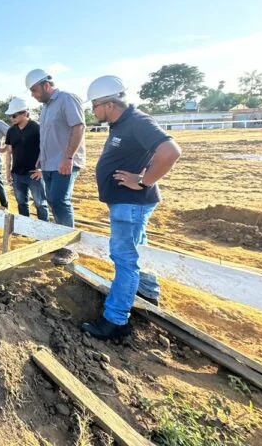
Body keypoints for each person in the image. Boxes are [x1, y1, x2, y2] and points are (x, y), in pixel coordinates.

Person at [81, 76, 182, 340]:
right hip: (127, 204)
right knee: (137, 249)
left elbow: (170, 152)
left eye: (94, 106)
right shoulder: (120, 124)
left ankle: (115, 321)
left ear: (108, 104)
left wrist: (144, 180)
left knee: (124, 258)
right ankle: (147, 291)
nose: (93, 111)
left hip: (131, 204)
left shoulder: (138, 122)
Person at [26, 69, 86, 264]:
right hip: (49, 163)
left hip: (65, 162)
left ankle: (70, 248)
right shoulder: (45, 109)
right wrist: (40, 159)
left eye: (34, 90)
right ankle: (60, 240)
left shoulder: (67, 99)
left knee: (60, 200)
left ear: (46, 85)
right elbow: (46, 137)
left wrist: (68, 157)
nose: (33, 95)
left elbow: (79, 127)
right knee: (52, 200)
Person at [3, 97, 49, 221]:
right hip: (17, 174)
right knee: (21, 203)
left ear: (24, 113)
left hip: (34, 173)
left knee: (40, 204)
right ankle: (25, 228)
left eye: (14, 115)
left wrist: (41, 169)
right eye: (10, 116)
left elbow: (46, 150)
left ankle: (44, 230)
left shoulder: (37, 128)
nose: (11, 118)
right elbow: (9, 152)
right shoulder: (11, 131)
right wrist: (8, 172)